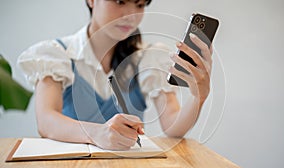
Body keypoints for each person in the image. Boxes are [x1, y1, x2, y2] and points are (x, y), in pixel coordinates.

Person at [18, 0, 212, 150]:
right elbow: (46, 121)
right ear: (91, 0)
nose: (131, 15)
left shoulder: (147, 57)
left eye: (139, 4)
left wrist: (198, 97)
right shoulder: (56, 54)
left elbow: (172, 127)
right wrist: (99, 133)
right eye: (120, 2)